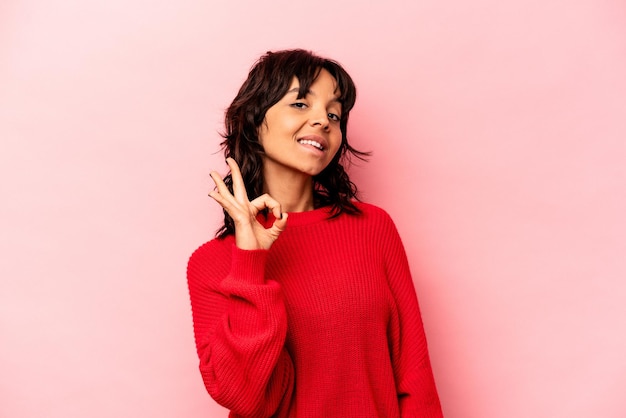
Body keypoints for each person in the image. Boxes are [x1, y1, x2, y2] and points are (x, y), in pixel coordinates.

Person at [187, 49, 443, 417]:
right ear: (253, 119)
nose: (323, 121)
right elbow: (241, 395)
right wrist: (250, 262)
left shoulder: (372, 229)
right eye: (301, 104)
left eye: (334, 114)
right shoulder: (211, 263)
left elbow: (414, 378)